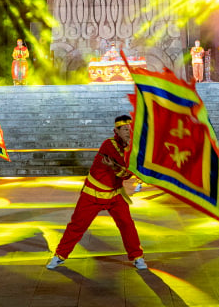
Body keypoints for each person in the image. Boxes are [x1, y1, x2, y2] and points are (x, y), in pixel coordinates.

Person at [47, 115, 147, 270]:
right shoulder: (109, 144)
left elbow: (127, 172)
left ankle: (137, 257)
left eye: (131, 129)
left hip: (115, 194)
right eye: (125, 129)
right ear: (116, 131)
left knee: (127, 225)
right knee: (77, 226)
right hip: (93, 193)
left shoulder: (132, 149)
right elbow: (126, 168)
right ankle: (60, 255)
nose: (129, 132)